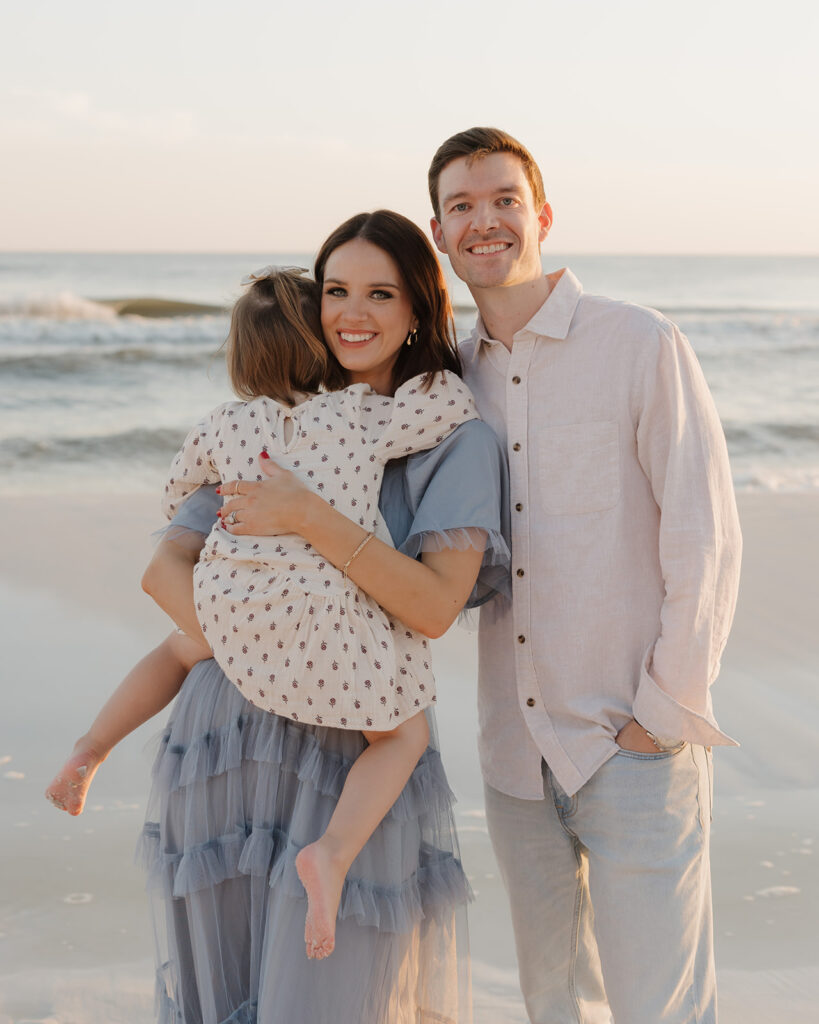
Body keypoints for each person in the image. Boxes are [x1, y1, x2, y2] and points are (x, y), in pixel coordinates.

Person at [46, 263, 480, 964]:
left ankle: (89, 750)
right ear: (326, 346)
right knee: (400, 735)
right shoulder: (357, 416)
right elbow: (445, 404)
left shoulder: (221, 425)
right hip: (321, 612)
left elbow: (177, 489)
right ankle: (332, 855)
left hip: (231, 603)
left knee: (177, 649)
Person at [134, 210, 508, 1023]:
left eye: (382, 293)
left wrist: (308, 519)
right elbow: (167, 564)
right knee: (222, 993)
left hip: (357, 744)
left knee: (335, 1000)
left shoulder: (451, 440)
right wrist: (239, 640)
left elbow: (435, 607)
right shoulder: (276, 419)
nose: (353, 313)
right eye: (335, 290)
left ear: (419, 310)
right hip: (230, 732)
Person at [421, 126, 743, 1023]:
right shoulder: (445, 381)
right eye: (462, 206)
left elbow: (704, 533)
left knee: (660, 1005)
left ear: (542, 216)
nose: (484, 221)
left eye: (503, 200)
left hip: (630, 737)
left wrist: (661, 710)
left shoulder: (638, 342)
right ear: (439, 233)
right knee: (552, 1002)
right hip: (512, 753)